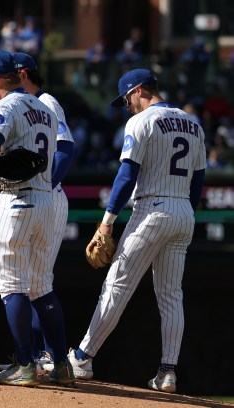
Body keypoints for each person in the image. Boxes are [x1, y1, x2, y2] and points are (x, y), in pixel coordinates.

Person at [67, 69, 206, 393]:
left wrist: (107, 221)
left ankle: (82, 358)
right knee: (172, 295)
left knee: (117, 285)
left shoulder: (141, 122)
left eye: (128, 98)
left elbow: (126, 176)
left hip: (151, 209)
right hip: (183, 210)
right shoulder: (194, 123)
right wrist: (185, 212)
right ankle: (167, 372)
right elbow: (198, 179)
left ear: (140, 90)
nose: (127, 105)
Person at [0, 50, 71, 386]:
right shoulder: (44, 107)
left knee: (12, 285)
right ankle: (61, 363)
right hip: (46, 201)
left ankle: (25, 365)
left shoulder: (4, 106)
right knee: (42, 286)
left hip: (12, 201)